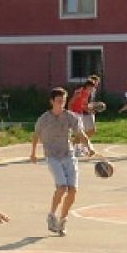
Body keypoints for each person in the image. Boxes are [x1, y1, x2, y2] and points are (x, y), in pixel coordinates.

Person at [30, 87, 94, 236]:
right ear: (52, 101)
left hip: (68, 155)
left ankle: (62, 221)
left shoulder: (70, 117)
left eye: (64, 101)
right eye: (59, 101)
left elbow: (80, 133)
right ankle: (52, 215)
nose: (62, 104)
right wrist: (33, 153)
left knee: (73, 190)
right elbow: (35, 136)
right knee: (62, 187)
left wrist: (89, 147)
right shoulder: (44, 119)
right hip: (52, 156)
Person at [68, 79, 96, 158]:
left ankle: (74, 149)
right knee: (80, 133)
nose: (92, 89)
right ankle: (86, 149)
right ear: (87, 86)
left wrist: (90, 110)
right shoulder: (79, 92)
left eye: (93, 88)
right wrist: (70, 113)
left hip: (80, 114)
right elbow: (70, 102)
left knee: (79, 133)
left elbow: (83, 105)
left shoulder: (87, 94)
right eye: (91, 87)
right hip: (74, 114)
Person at [81, 74, 101, 139]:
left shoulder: (93, 90)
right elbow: (82, 103)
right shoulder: (85, 91)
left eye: (97, 82)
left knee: (91, 131)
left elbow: (90, 102)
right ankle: (78, 143)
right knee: (89, 130)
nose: (96, 84)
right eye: (96, 82)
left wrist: (96, 106)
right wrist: (89, 109)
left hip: (90, 112)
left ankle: (82, 143)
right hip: (84, 113)